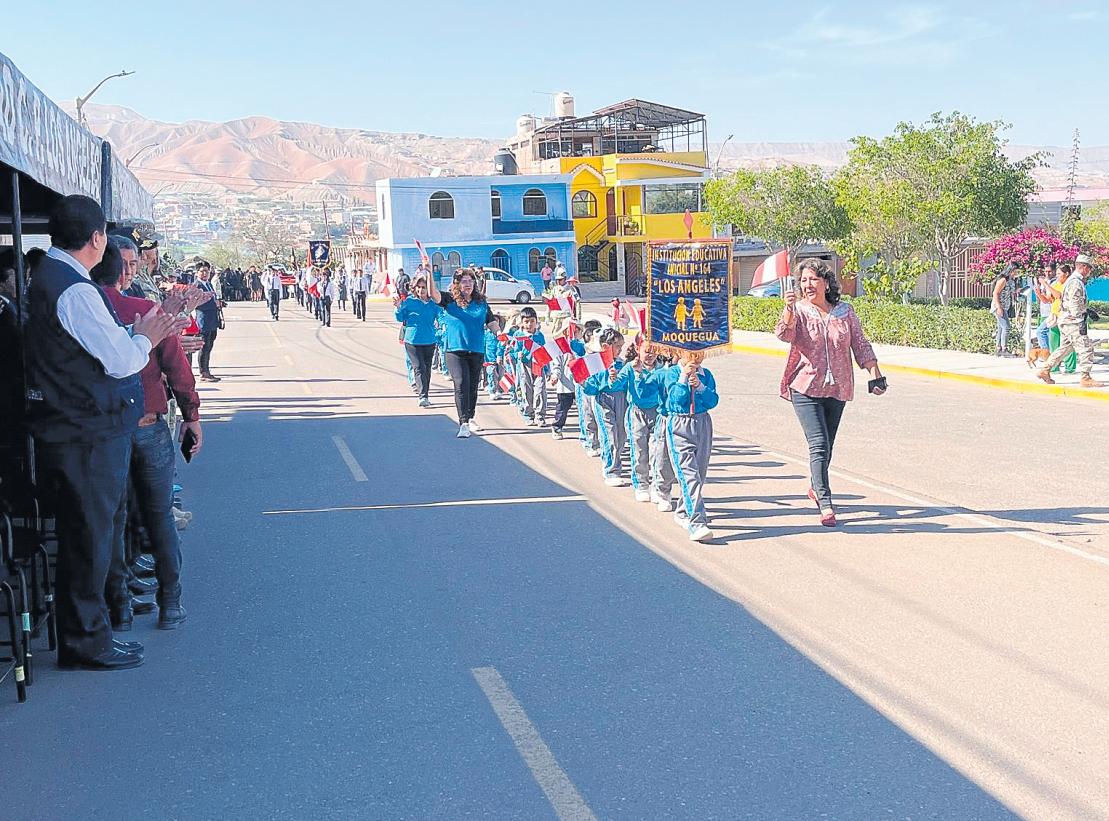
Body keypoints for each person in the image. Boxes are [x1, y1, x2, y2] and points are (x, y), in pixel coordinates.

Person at [27, 195, 186, 671]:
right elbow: (120, 360)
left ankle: (88, 633)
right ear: (97, 238)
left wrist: (134, 335)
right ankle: (87, 640)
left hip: (77, 428)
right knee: (90, 539)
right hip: (85, 432)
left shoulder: (55, 279)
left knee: (88, 535)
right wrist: (146, 337)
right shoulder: (74, 290)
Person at [93, 241, 205, 630]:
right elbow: (177, 369)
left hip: (106, 431)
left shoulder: (85, 312)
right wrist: (191, 415)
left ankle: (120, 609)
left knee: (114, 517)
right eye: (128, 264)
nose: (132, 271)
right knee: (160, 516)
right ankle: (170, 604)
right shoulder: (144, 310)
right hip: (146, 425)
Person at [775, 258, 885, 527]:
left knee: (827, 445)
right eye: (803, 280)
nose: (807, 284)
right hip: (805, 386)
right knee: (818, 444)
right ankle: (825, 503)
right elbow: (784, 334)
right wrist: (788, 309)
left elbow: (860, 343)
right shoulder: (799, 310)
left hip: (837, 387)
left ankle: (815, 486)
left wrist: (875, 373)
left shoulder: (845, 312)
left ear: (826, 282)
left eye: (813, 279)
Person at [427, 269, 500, 438]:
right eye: (464, 281)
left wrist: (500, 334)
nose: (468, 284)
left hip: (476, 350)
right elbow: (433, 294)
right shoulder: (449, 300)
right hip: (455, 351)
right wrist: (429, 272)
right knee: (461, 384)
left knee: (473, 386)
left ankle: (471, 417)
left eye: (470, 281)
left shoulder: (481, 303)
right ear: (457, 284)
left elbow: (491, 322)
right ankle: (463, 423)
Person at [662, 351, 718, 542]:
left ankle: (683, 511)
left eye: (700, 352)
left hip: (702, 423)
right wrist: (684, 378)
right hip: (680, 423)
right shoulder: (672, 373)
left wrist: (700, 386)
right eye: (691, 352)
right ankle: (697, 522)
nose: (696, 356)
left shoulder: (706, 374)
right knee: (688, 475)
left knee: (699, 473)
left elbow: (713, 401)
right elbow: (675, 400)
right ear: (680, 352)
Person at [1038, 254, 1104, 388]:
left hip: (1066, 320)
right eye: (1089, 268)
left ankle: (1045, 369)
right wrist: (1080, 319)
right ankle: (1085, 377)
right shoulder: (1075, 282)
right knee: (1086, 348)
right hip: (1073, 321)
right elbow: (1074, 303)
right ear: (1084, 267)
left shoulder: (1072, 280)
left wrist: (1087, 310)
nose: (1089, 272)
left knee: (1065, 348)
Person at [583, 328, 631, 486]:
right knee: (609, 435)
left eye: (621, 346)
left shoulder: (621, 363)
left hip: (621, 400)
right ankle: (611, 470)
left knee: (621, 435)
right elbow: (591, 386)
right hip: (604, 401)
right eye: (617, 346)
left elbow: (627, 382)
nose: (620, 350)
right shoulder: (596, 363)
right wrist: (606, 379)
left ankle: (615, 460)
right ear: (605, 346)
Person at [622, 339, 666, 503]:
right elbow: (617, 383)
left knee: (658, 451)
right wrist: (611, 377)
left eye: (653, 351)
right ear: (638, 349)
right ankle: (641, 485)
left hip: (657, 412)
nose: (650, 355)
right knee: (639, 451)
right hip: (637, 413)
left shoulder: (662, 369)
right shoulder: (630, 367)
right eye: (646, 351)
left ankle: (656, 486)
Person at [394, 275, 440, 407]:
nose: (421, 290)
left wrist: (442, 328)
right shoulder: (410, 301)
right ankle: (422, 396)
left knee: (427, 369)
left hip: (429, 340)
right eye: (418, 287)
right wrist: (398, 307)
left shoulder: (433, 304)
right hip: (412, 341)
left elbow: (441, 317)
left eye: (424, 287)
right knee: (419, 367)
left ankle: (425, 393)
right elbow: (400, 317)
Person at [514, 307, 547, 426]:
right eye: (526, 321)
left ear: (536, 321)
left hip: (538, 365)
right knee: (526, 389)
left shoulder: (539, 336)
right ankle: (528, 414)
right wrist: (518, 354)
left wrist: (547, 369)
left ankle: (540, 415)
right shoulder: (518, 335)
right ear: (522, 322)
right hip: (524, 365)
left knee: (540, 389)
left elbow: (545, 352)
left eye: (532, 321)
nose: (529, 324)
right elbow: (513, 351)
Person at [578, 320, 603, 456]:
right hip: (586, 388)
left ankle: (602, 442)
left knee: (601, 417)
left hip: (600, 389)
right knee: (588, 416)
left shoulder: (603, 354)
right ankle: (591, 442)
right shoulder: (583, 350)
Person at [195, 263, 222, 381]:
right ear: (197, 273)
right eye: (202, 271)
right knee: (204, 346)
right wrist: (213, 304)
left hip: (212, 319)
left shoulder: (209, 284)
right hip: (203, 320)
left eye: (207, 271)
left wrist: (219, 303)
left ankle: (207, 370)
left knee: (209, 346)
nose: (205, 273)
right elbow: (197, 304)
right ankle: (203, 372)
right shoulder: (197, 286)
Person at [991, 265, 1017, 356]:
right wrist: (998, 307)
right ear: (1010, 271)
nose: (1015, 273)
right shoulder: (1003, 280)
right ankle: (1004, 349)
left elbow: (1011, 292)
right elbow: (995, 293)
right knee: (1006, 327)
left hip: (1005, 307)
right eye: (1014, 271)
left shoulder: (1011, 281)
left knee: (1001, 328)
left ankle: (999, 349)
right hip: (999, 307)